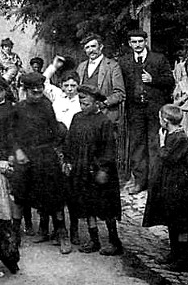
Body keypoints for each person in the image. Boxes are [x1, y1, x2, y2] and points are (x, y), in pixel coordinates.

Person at [10, 72, 70, 254]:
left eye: (40, 91)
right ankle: (14, 234)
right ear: (25, 91)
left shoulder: (46, 106)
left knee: (53, 194)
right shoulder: (18, 108)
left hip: (45, 154)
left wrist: (56, 150)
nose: (38, 95)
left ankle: (61, 232)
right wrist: (18, 150)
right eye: (33, 92)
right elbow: (11, 133)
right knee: (20, 194)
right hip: (25, 155)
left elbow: (56, 130)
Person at [143, 104, 188, 271]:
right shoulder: (172, 134)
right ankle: (174, 253)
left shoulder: (180, 138)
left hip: (185, 191)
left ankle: (182, 260)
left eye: (159, 119)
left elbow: (168, 158)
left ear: (165, 120)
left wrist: (162, 144)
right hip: (173, 189)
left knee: (183, 226)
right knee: (173, 222)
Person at [63, 85, 122, 255]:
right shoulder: (77, 118)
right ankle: (94, 240)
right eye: (81, 103)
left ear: (96, 103)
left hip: (100, 171)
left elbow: (109, 149)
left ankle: (114, 241)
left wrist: (103, 169)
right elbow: (70, 141)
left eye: (86, 103)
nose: (83, 106)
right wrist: (67, 160)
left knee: (106, 207)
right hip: (81, 169)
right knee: (87, 206)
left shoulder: (104, 122)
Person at [119, 30, 174, 195]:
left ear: (145, 42)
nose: (137, 45)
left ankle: (155, 182)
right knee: (137, 145)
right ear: (130, 43)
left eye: (140, 41)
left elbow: (170, 81)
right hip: (135, 110)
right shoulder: (124, 61)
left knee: (154, 144)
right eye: (134, 42)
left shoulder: (158, 59)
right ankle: (140, 182)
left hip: (153, 109)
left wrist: (153, 80)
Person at [74, 33, 126, 125]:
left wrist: (104, 103)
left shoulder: (112, 66)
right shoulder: (81, 67)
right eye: (87, 47)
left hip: (105, 115)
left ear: (101, 47)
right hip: (85, 115)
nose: (91, 50)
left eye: (93, 46)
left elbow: (120, 94)